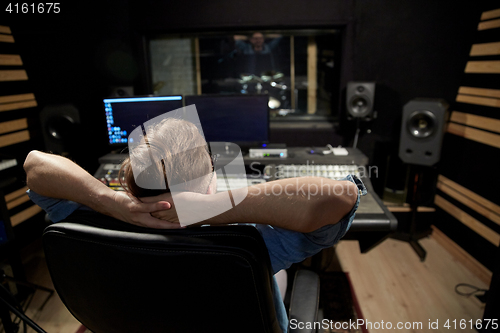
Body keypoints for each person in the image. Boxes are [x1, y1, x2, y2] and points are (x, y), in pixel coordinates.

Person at [24, 118, 366, 332]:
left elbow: (35, 165)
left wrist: (113, 203)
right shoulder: (244, 244)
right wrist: (210, 208)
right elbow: (341, 194)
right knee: (278, 273)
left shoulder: (94, 220)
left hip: (143, 316)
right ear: (210, 181)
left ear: (130, 186)